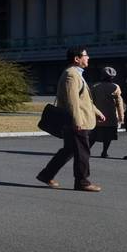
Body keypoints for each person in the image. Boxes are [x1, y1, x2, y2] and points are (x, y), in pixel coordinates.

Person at [36, 47, 104, 192]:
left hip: (77, 119)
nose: (88, 58)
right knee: (82, 152)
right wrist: (77, 121)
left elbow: (84, 99)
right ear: (77, 59)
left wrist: (97, 112)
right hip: (77, 121)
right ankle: (82, 182)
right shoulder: (71, 75)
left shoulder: (77, 74)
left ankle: (46, 175)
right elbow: (72, 101)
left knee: (69, 150)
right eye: (86, 55)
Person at [89, 66, 125, 159]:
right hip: (111, 115)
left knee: (93, 135)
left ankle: (86, 150)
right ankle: (104, 152)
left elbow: (90, 101)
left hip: (97, 115)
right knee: (108, 136)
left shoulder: (95, 86)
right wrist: (121, 117)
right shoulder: (116, 87)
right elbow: (119, 103)